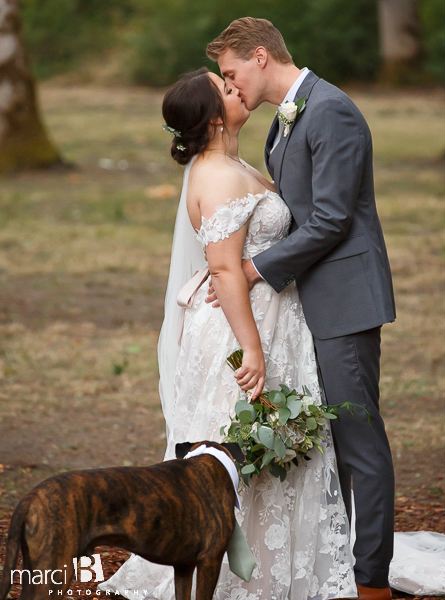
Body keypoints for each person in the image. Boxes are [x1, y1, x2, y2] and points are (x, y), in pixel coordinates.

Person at [99, 67, 356, 600]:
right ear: (215, 116)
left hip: (271, 316)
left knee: (268, 447)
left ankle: (277, 564)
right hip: (240, 329)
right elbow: (222, 270)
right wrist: (252, 350)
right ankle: (242, 574)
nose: (236, 88)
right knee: (236, 446)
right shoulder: (217, 175)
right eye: (226, 88)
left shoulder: (234, 162)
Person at [204, 18, 397, 600]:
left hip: (344, 301)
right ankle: (334, 564)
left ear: (260, 56)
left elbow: (333, 218)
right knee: (324, 445)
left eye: (232, 72)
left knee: (360, 442)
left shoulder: (331, 110)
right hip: (303, 304)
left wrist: (256, 269)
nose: (230, 86)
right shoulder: (283, 123)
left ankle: (372, 582)